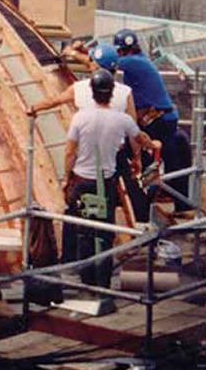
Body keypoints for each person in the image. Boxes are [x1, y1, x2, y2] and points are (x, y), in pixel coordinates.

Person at [61, 69, 155, 288]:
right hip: (107, 184)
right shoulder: (122, 119)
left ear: (92, 92)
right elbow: (141, 139)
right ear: (112, 93)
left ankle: (85, 282)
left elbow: (69, 152)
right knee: (104, 233)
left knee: (84, 231)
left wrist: (66, 178)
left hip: (83, 182)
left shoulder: (80, 118)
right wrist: (153, 145)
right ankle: (102, 283)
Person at [113, 28, 190, 209]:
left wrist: (77, 54)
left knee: (131, 150)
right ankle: (176, 200)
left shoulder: (130, 62)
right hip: (163, 118)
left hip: (158, 119)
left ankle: (146, 193)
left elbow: (104, 62)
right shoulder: (139, 61)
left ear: (122, 50)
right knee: (168, 157)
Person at [28, 44, 136, 120]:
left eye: (90, 60)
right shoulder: (125, 92)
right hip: (115, 149)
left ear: (95, 66)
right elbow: (133, 127)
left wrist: (33, 108)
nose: (88, 62)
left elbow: (54, 101)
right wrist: (137, 153)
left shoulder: (80, 88)